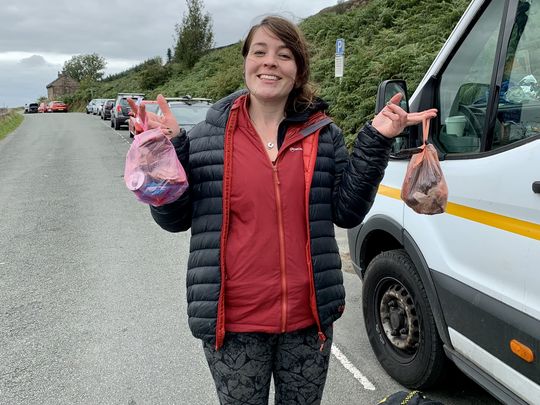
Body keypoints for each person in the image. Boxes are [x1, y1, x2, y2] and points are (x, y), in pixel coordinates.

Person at [128, 16, 437, 405]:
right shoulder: (206, 137)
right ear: (245, 64)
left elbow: (347, 211)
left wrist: (376, 140)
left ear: (298, 70)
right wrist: (166, 152)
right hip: (233, 325)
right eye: (260, 52)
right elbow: (175, 220)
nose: (270, 62)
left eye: (284, 55)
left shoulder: (323, 135)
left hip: (308, 325)